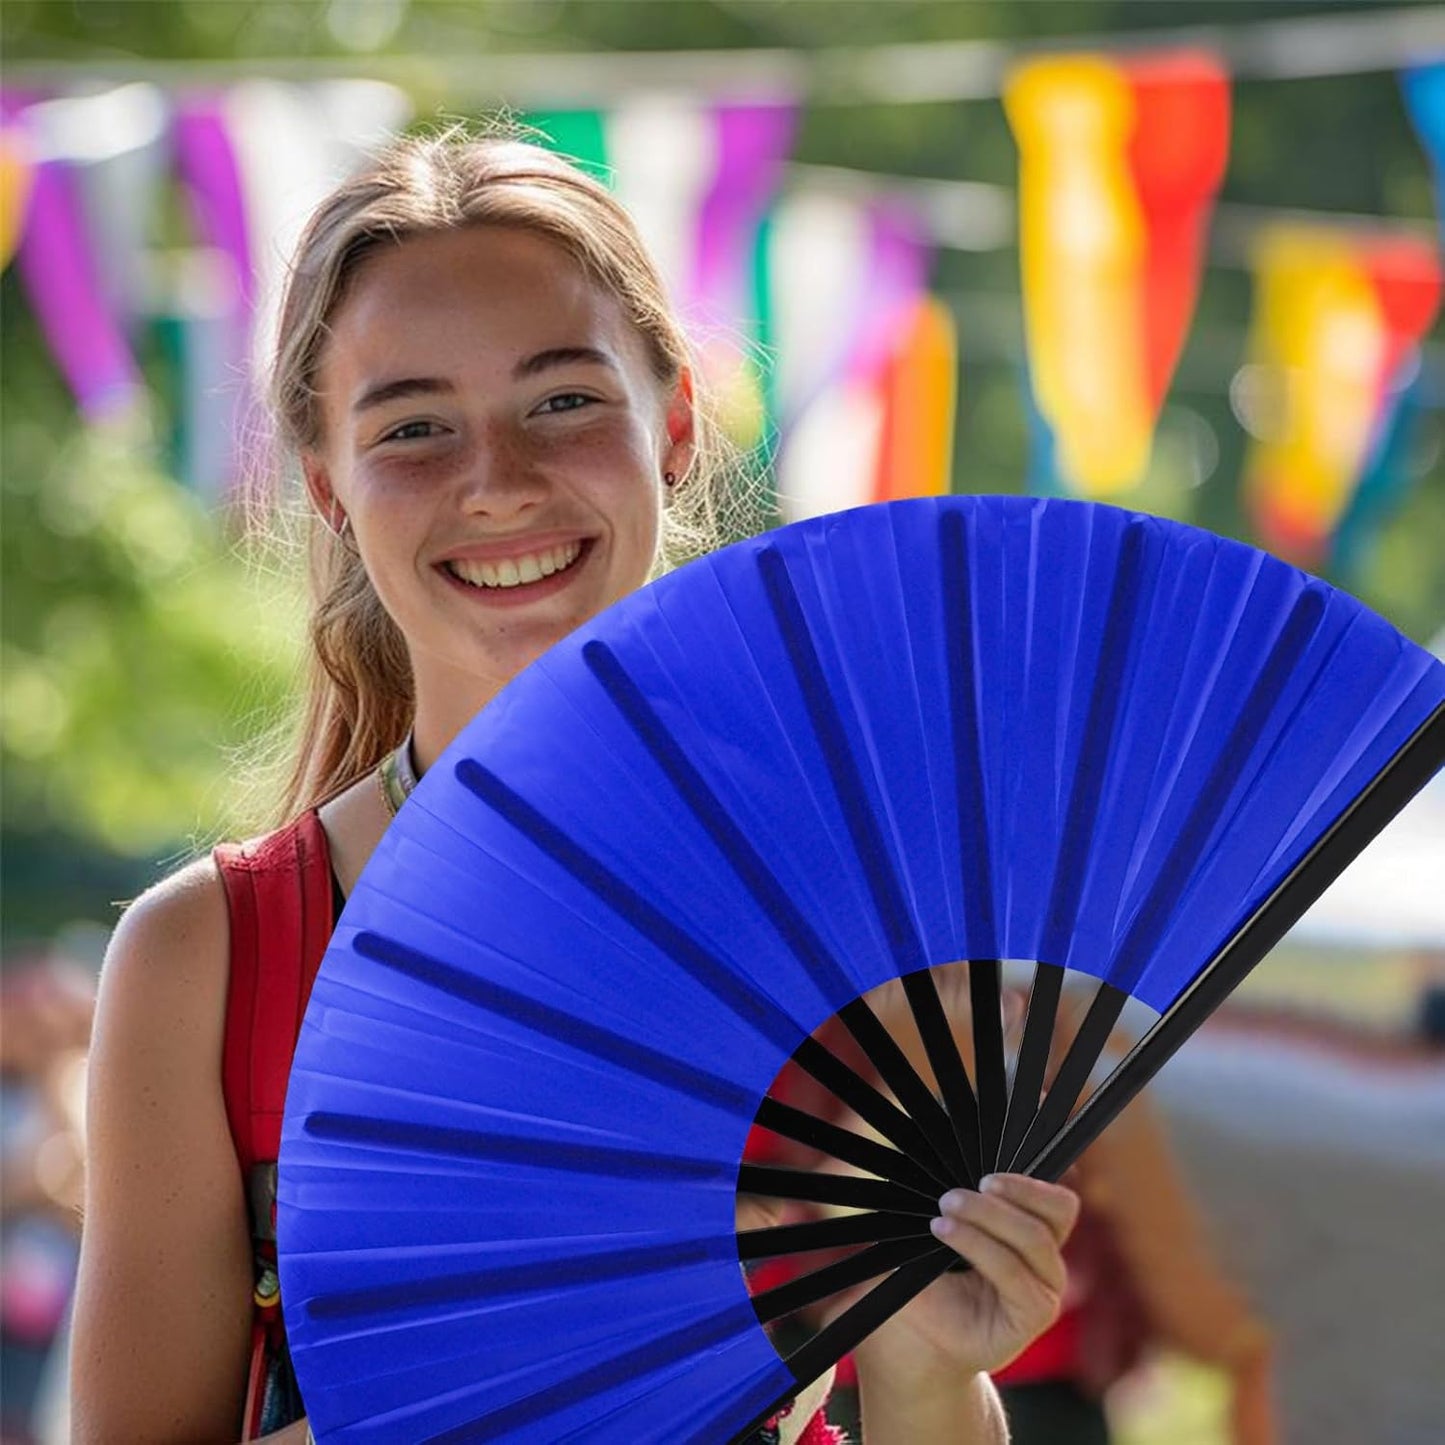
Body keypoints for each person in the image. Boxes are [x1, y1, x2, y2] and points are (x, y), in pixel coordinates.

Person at [70, 126, 1080, 1444]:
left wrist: (928, 1372)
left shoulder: (867, 915)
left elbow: (913, 1397)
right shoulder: (208, 960)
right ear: (326, 483)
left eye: (561, 400)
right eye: (416, 426)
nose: (497, 480)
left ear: (670, 425)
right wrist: (564, 1363)